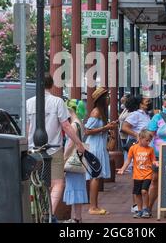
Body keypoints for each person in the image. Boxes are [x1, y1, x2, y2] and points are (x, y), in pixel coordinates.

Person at [26, 73, 86, 222]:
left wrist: (27, 146)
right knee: (58, 183)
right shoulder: (58, 102)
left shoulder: (29, 102)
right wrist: (78, 143)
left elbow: (28, 127)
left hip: (33, 149)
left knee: (36, 182)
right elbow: (66, 125)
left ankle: (40, 211)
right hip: (53, 148)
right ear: (51, 85)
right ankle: (49, 213)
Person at [84, 87, 118, 215]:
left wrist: (108, 127)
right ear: (102, 99)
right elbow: (87, 131)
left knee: (96, 177)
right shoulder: (96, 112)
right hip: (94, 146)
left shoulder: (101, 112)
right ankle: (93, 207)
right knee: (95, 177)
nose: (109, 98)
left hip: (98, 146)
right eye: (107, 96)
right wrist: (106, 127)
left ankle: (95, 206)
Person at [120, 95, 152, 213]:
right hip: (137, 150)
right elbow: (124, 127)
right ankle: (135, 205)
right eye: (145, 100)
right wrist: (137, 135)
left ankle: (141, 205)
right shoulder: (136, 115)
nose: (148, 102)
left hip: (145, 150)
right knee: (137, 178)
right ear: (139, 103)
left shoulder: (146, 115)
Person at [117, 129, 157, 219]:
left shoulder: (150, 149)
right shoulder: (133, 148)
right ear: (140, 138)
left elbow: (153, 160)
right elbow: (128, 160)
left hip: (147, 174)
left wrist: (156, 163)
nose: (148, 142)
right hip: (137, 175)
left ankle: (146, 209)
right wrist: (123, 169)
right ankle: (139, 210)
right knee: (137, 193)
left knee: (144, 191)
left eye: (149, 141)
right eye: (146, 140)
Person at [63, 99, 89, 223]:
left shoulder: (73, 124)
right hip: (79, 159)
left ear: (70, 110)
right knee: (78, 188)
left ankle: (77, 218)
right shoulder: (80, 123)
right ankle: (77, 217)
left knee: (73, 187)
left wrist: (64, 158)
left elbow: (70, 144)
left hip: (72, 159)